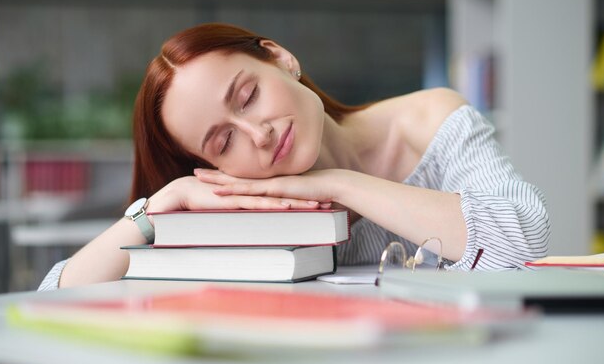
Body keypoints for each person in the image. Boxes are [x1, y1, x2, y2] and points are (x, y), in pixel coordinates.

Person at [39, 23, 550, 291]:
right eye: (223, 142)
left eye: (247, 96)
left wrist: (338, 185)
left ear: (281, 59)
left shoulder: (428, 121)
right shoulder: (243, 203)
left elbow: (523, 236)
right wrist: (157, 209)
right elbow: (53, 295)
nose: (256, 134)